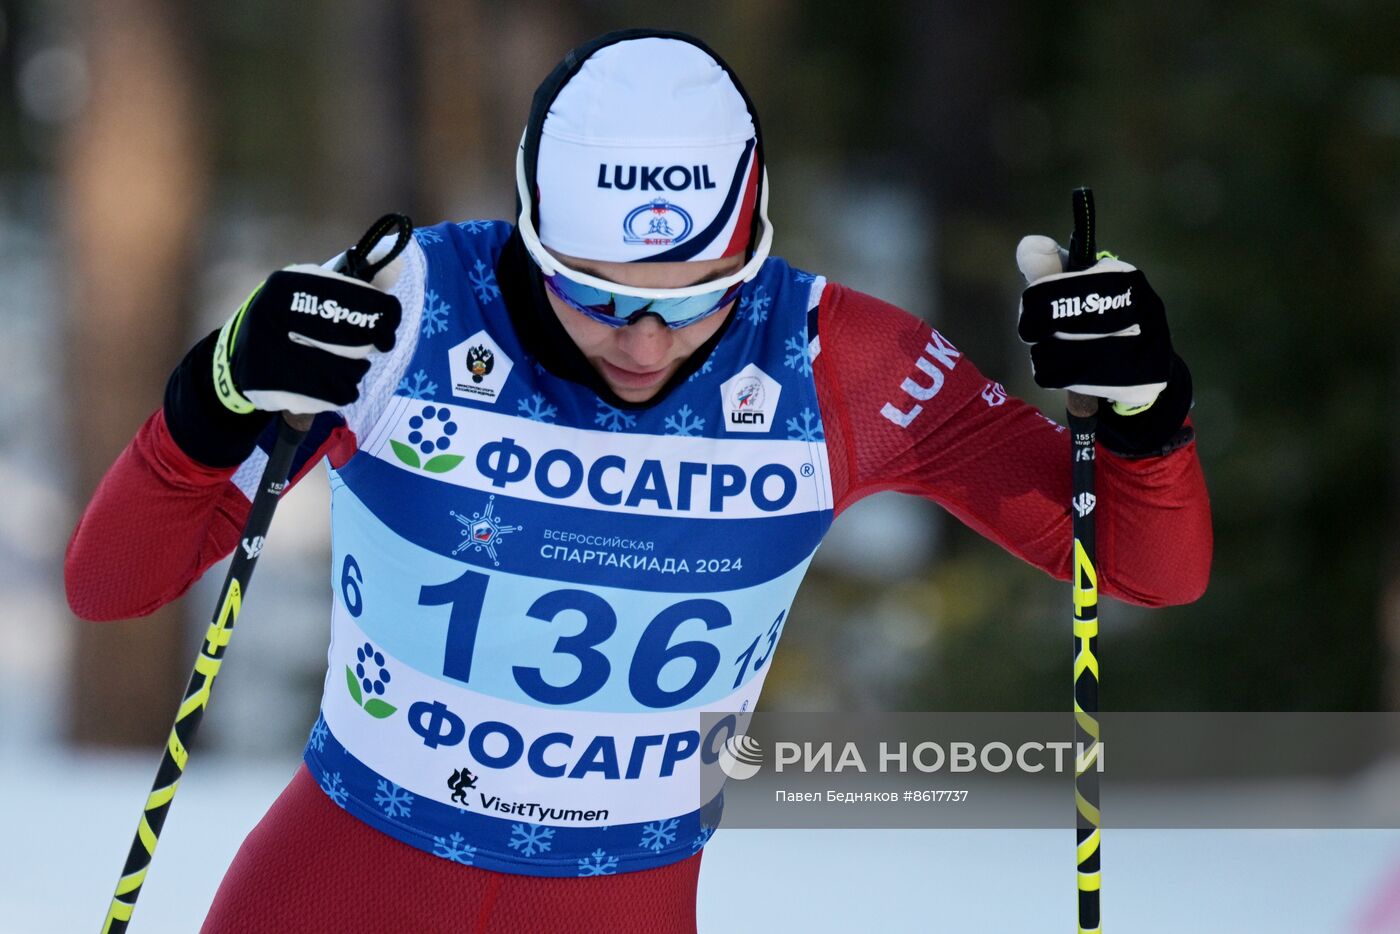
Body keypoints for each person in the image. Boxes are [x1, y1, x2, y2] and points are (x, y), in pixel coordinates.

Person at [66, 28, 1211, 933]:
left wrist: (1145, 407)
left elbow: (1147, 571)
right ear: (529, 235)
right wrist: (219, 384)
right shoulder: (408, 310)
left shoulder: (842, 365)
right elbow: (111, 583)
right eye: (596, 293)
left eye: (691, 296)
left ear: (755, 240)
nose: (644, 343)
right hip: (334, 889)